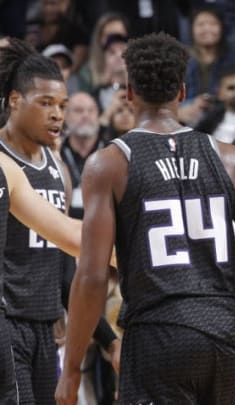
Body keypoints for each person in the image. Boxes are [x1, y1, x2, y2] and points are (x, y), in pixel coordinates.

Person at [55, 33, 235, 405]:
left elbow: (93, 274)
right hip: (223, 337)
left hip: (157, 337)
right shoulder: (229, 158)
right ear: (182, 91)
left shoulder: (109, 164)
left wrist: (70, 369)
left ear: (129, 91)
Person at [0, 37, 120, 404]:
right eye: (46, 103)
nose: (58, 115)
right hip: (8, 321)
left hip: (45, 326)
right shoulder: (3, 163)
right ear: (15, 102)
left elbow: (67, 255)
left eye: (63, 105)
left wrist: (107, 337)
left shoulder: (58, 167)